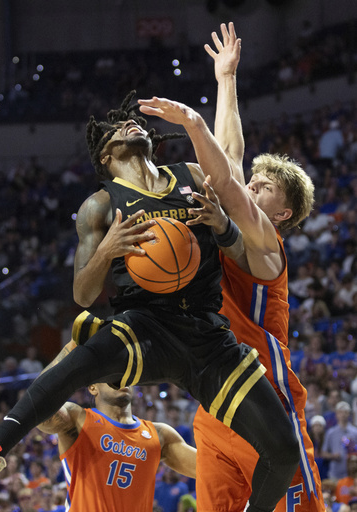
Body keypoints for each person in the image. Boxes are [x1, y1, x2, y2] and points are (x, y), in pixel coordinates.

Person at [0, 90, 300, 511]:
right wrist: (107, 251)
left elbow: (240, 255)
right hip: (146, 326)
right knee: (76, 364)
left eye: (134, 123)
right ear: (105, 156)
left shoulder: (194, 176)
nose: (129, 124)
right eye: (115, 129)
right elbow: (83, 295)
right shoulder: (100, 206)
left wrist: (222, 227)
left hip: (207, 335)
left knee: (284, 450)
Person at [139, 23, 323, 512]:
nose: (253, 185)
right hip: (217, 404)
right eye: (254, 181)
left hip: (268, 401)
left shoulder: (266, 243)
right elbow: (232, 160)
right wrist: (226, 80)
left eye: (265, 187)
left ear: (282, 212)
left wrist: (195, 125)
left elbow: (226, 177)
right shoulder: (235, 226)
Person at [37, 382, 196, 512]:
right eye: (111, 372)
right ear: (93, 387)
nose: (120, 377)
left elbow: (208, 468)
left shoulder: (160, 434)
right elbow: (38, 408)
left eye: (125, 372)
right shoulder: (77, 420)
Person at [322, 401, 357, 480]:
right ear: (336, 414)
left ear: (349, 414)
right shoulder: (330, 432)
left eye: (346, 412)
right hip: (335, 474)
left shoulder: (355, 432)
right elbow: (323, 453)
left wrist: (354, 448)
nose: (343, 414)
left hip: (353, 474)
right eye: (340, 412)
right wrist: (333, 456)